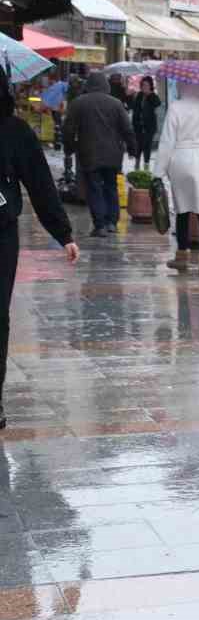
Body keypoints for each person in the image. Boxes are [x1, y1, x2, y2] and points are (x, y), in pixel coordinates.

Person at [0, 69, 79, 429]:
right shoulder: (15, 130)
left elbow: (39, 184)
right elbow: (40, 185)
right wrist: (63, 234)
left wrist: (63, 233)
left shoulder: (14, 131)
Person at [154, 83, 199, 276]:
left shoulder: (176, 107)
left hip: (182, 158)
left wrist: (158, 172)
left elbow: (167, 140)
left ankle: (182, 256)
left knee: (183, 210)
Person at [61, 72, 136, 238]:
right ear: (106, 85)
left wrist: (69, 148)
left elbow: (68, 129)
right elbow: (127, 128)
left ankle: (100, 225)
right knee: (111, 186)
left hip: (89, 153)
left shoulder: (78, 103)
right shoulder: (116, 104)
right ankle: (112, 223)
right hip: (113, 153)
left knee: (94, 188)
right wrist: (132, 149)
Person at [129, 77, 161, 171]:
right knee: (138, 145)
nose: (144, 87)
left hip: (149, 127)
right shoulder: (139, 95)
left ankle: (146, 167)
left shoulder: (153, 96)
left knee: (147, 146)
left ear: (151, 86)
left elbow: (157, 104)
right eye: (143, 85)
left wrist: (149, 95)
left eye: (146, 85)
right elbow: (134, 108)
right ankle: (137, 166)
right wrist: (131, 96)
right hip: (138, 125)